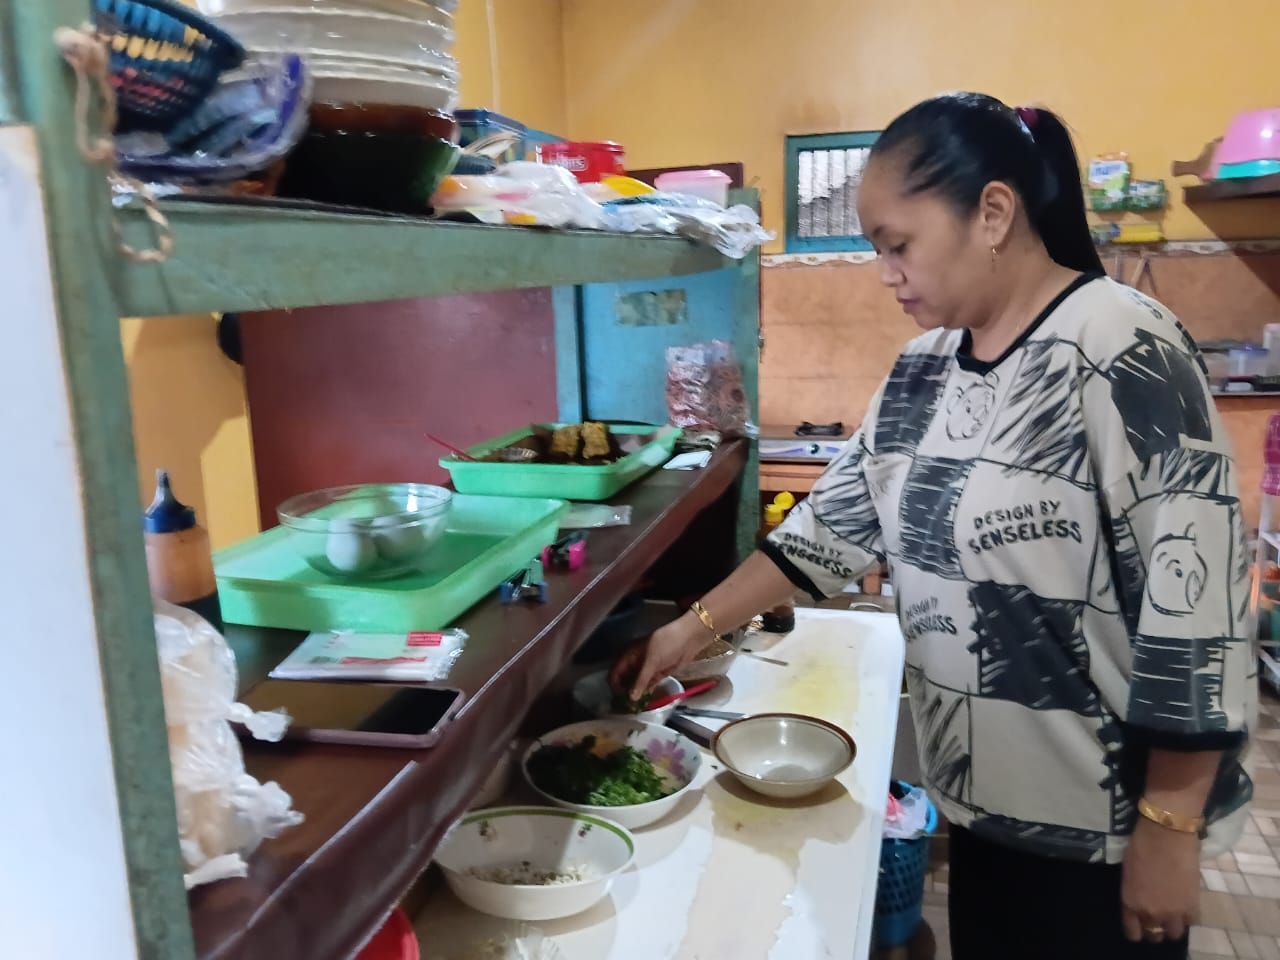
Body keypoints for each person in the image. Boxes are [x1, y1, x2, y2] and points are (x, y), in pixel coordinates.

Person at [611, 92, 1256, 960]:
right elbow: (824, 533)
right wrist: (688, 632)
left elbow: (1199, 611)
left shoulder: (1121, 347)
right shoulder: (923, 370)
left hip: (1100, 839)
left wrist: (1170, 824)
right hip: (979, 814)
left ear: (992, 213)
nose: (886, 273)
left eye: (898, 244)